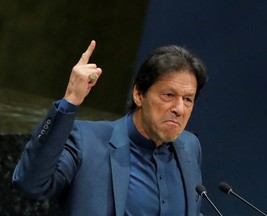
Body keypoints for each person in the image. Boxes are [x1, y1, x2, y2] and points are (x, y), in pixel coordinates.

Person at [12, 40, 207, 216]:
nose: (179, 109)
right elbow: (30, 184)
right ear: (139, 94)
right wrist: (70, 101)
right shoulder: (87, 141)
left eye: (188, 99)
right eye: (169, 95)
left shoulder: (189, 146)